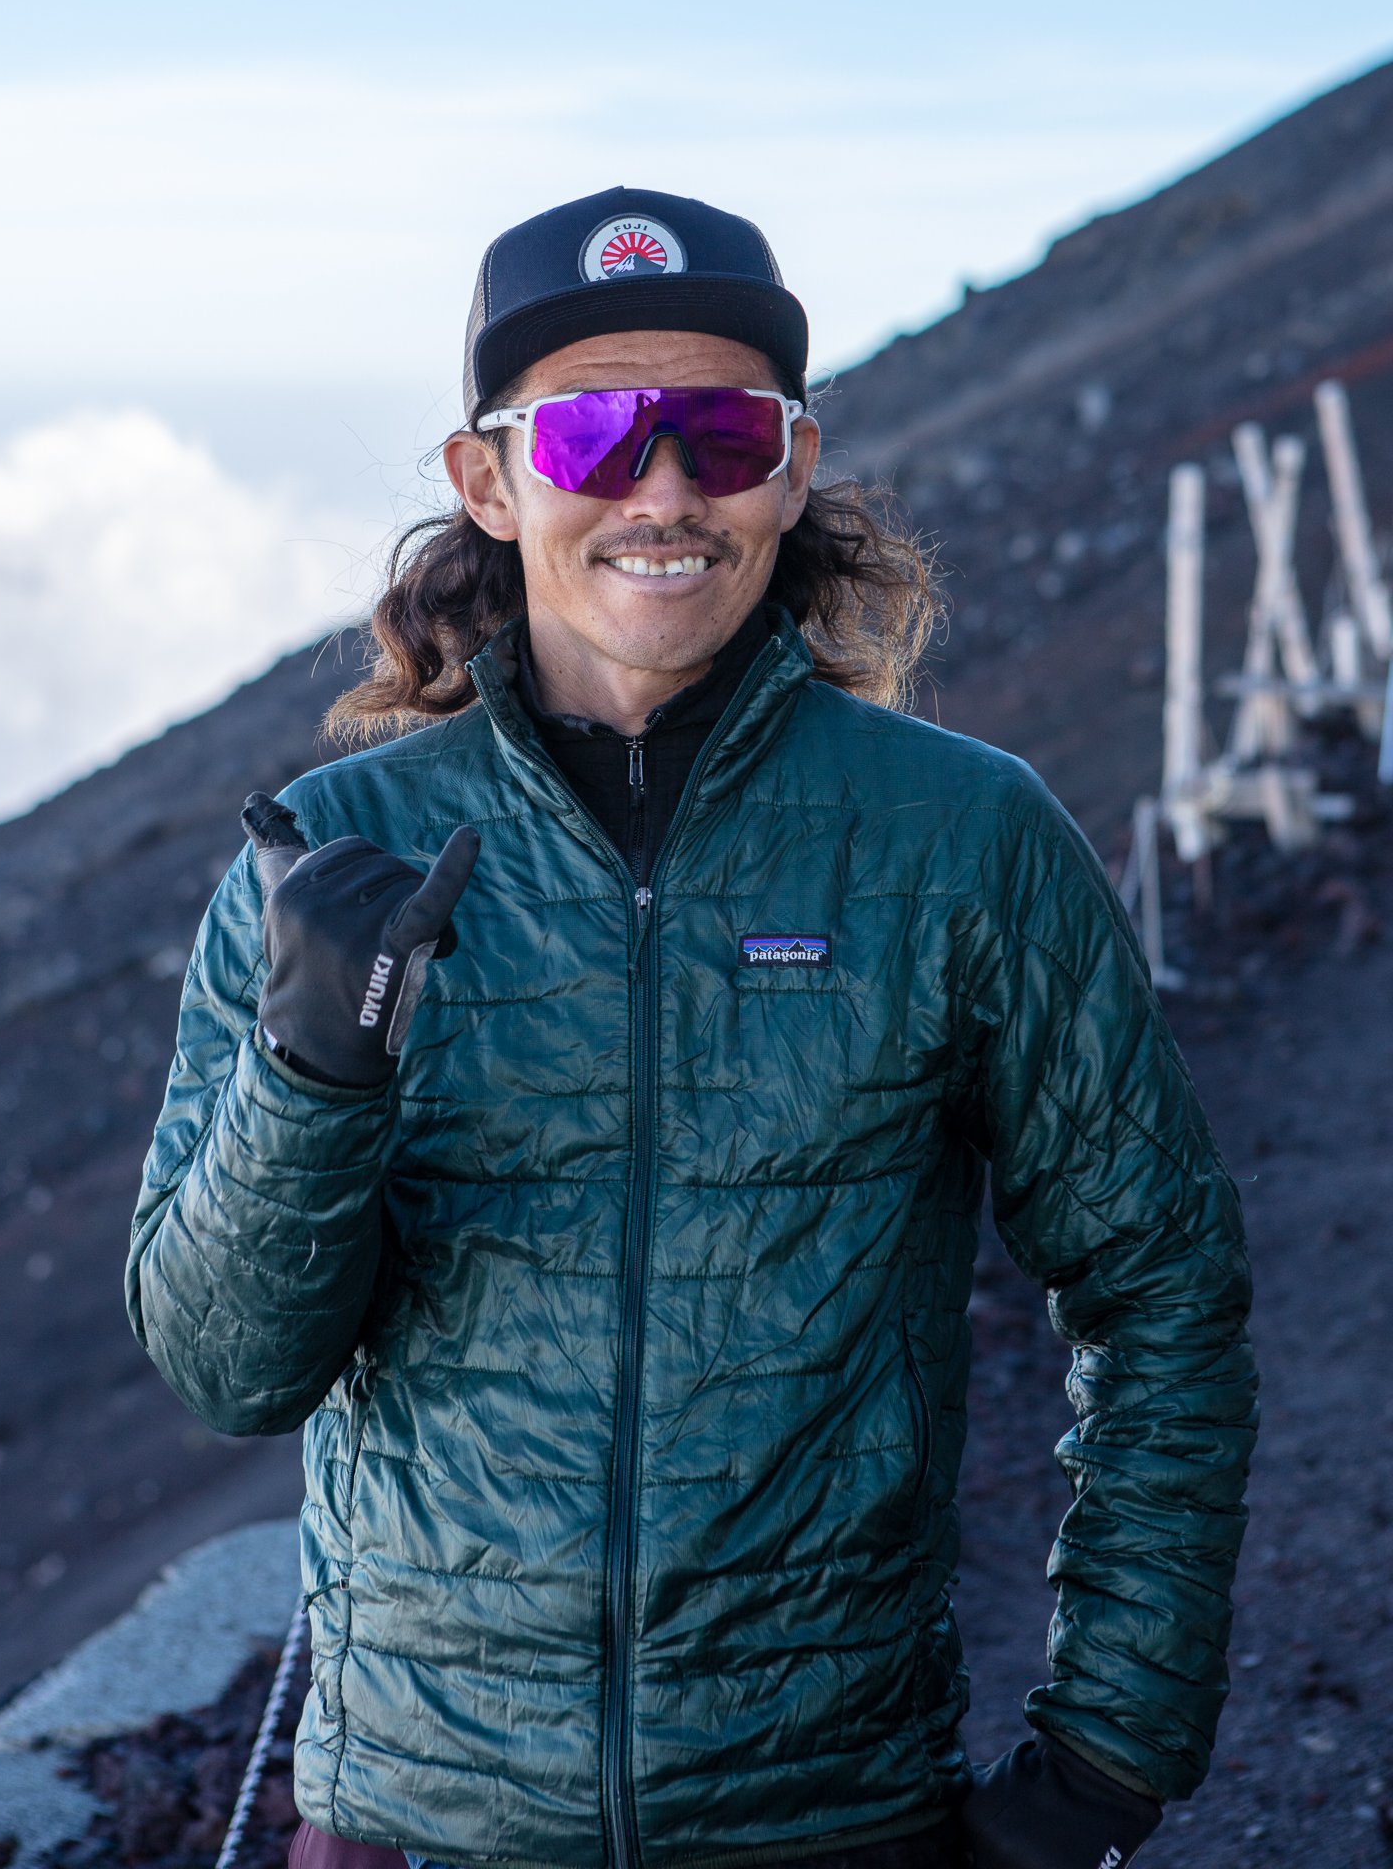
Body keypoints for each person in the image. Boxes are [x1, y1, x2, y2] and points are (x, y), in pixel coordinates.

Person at [127, 187, 1256, 1869]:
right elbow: (229, 1371)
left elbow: (1163, 1286)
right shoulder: (329, 857)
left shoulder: (958, 840)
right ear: (492, 481)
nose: (662, 488)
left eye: (721, 433)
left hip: (833, 1817)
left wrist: (1107, 1760)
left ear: (792, 471)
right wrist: (314, 1069)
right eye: (597, 430)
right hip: (418, 1831)